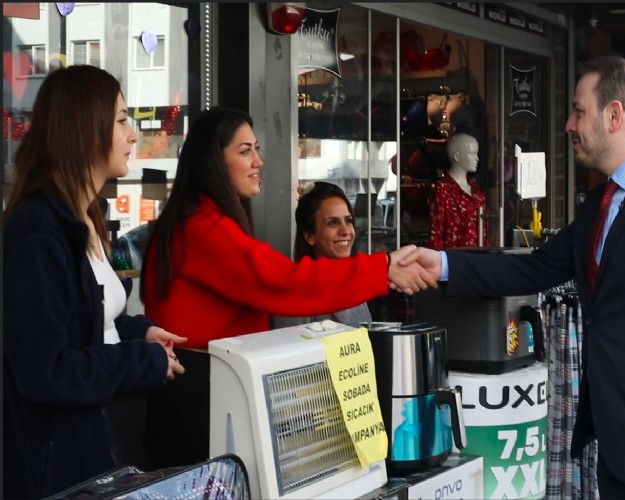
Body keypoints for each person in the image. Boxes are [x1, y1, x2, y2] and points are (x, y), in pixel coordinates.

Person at [401, 55, 625, 500]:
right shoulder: (602, 200)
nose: (567, 125)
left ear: (614, 114)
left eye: (578, 111)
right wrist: (443, 263)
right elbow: (535, 266)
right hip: (619, 444)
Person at [140, 106, 435, 468]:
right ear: (213, 161)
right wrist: (383, 268)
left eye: (257, 149)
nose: (258, 161)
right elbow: (285, 283)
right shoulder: (201, 228)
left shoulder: (194, 222)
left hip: (200, 398)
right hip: (201, 405)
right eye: (245, 150)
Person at [3, 65, 186, 499]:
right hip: (61, 473)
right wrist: (143, 362)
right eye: (122, 119)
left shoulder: (85, 217)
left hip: (104, 453)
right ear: (83, 126)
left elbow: (87, 322)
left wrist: (139, 331)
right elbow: (48, 370)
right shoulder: (36, 232)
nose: (133, 134)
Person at [291, 181, 372, 325]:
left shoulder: (352, 282)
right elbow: (288, 345)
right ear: (310, 236)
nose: (346, 231)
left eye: (348, 221)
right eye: (332, 223)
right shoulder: (298, 293)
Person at [429, 133, 488, 250]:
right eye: (472, 153)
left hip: (480, 258)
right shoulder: (442, 189)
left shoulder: (477, 191)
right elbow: (436, 232)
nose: (477, 158)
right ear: (457, 156)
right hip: (455, 260)